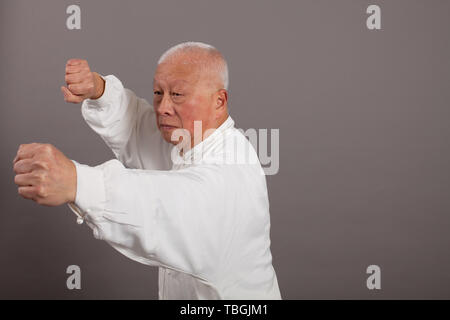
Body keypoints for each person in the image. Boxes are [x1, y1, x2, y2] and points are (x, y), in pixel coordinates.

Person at [12, 42, 281, 299]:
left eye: (177, 94)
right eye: (158, 93)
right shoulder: (191, 139)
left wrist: (78, 182)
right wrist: (100, 90)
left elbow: (164, 207)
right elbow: (140, 130)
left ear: (219, 101)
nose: (163, 108)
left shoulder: (233, 168)